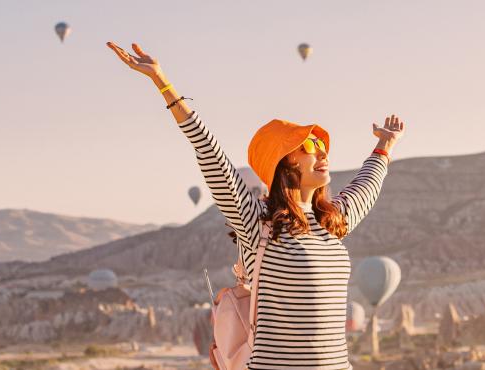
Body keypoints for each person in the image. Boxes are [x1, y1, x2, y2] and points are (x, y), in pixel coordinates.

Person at [108, 41, 404, 370]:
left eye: (322, 144)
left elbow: (367, 183)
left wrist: (385, 145)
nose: (322, 151)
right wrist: (162, 82)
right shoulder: (258, 223)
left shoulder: (332, 221)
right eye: (308, 145)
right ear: (283, 163)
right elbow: (210, 153)